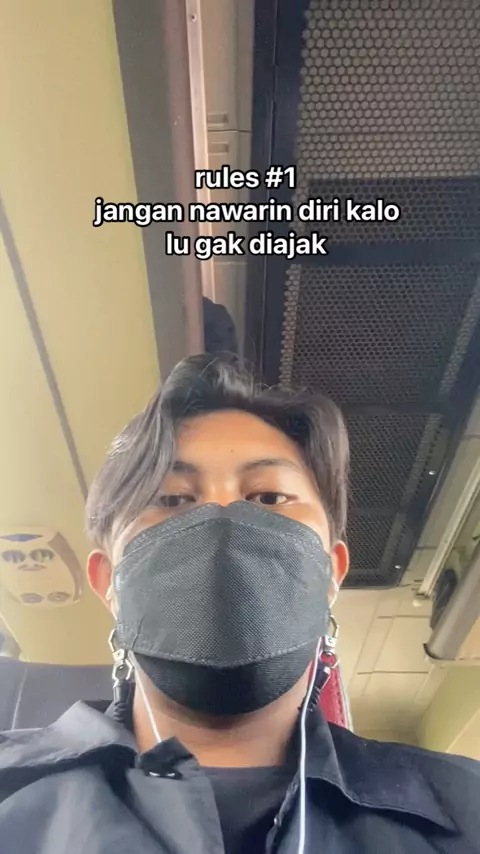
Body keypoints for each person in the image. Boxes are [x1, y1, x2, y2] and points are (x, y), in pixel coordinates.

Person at [0, 354, 478, 854]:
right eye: (172, 500)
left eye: (269, 498)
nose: (222, 522)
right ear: (108, 581)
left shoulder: (467, 806)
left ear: (331, 573)